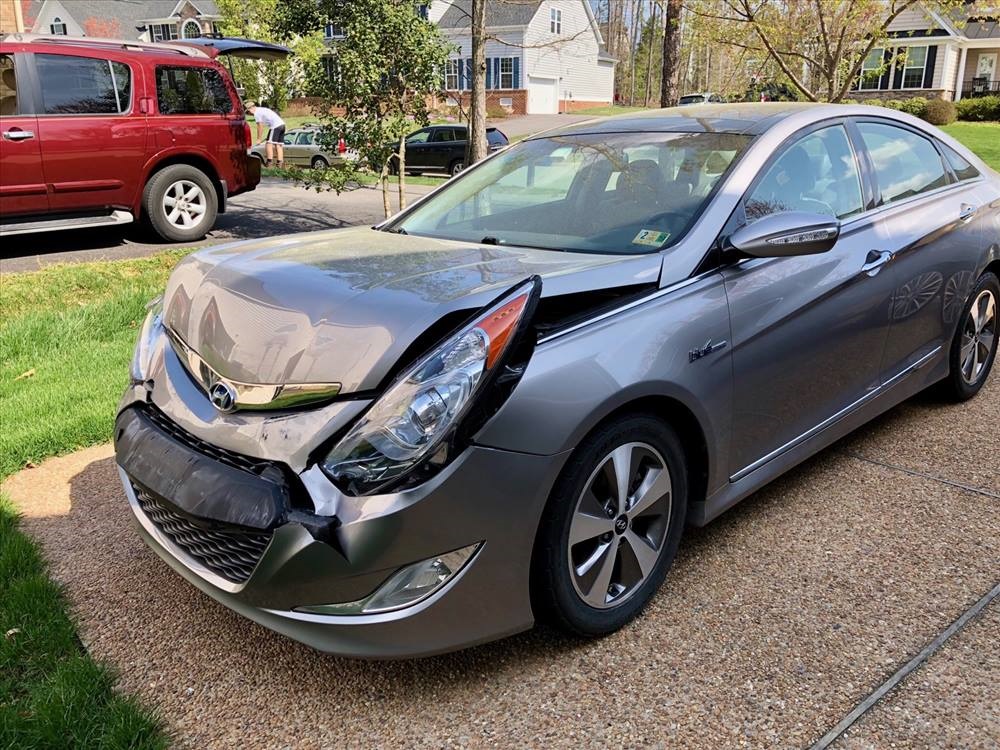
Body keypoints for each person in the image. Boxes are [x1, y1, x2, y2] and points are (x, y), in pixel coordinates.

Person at [245, 101, 285, 167]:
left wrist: (259, 139)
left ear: (251, 108)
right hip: (282, 125)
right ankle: (280, 164)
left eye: (248, 112)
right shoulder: (262, 109)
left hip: (275, 126)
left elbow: (260, 126)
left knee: (268, 144)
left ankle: (269, 163)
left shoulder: (257, 113)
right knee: (278, 145)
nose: (249, 114)